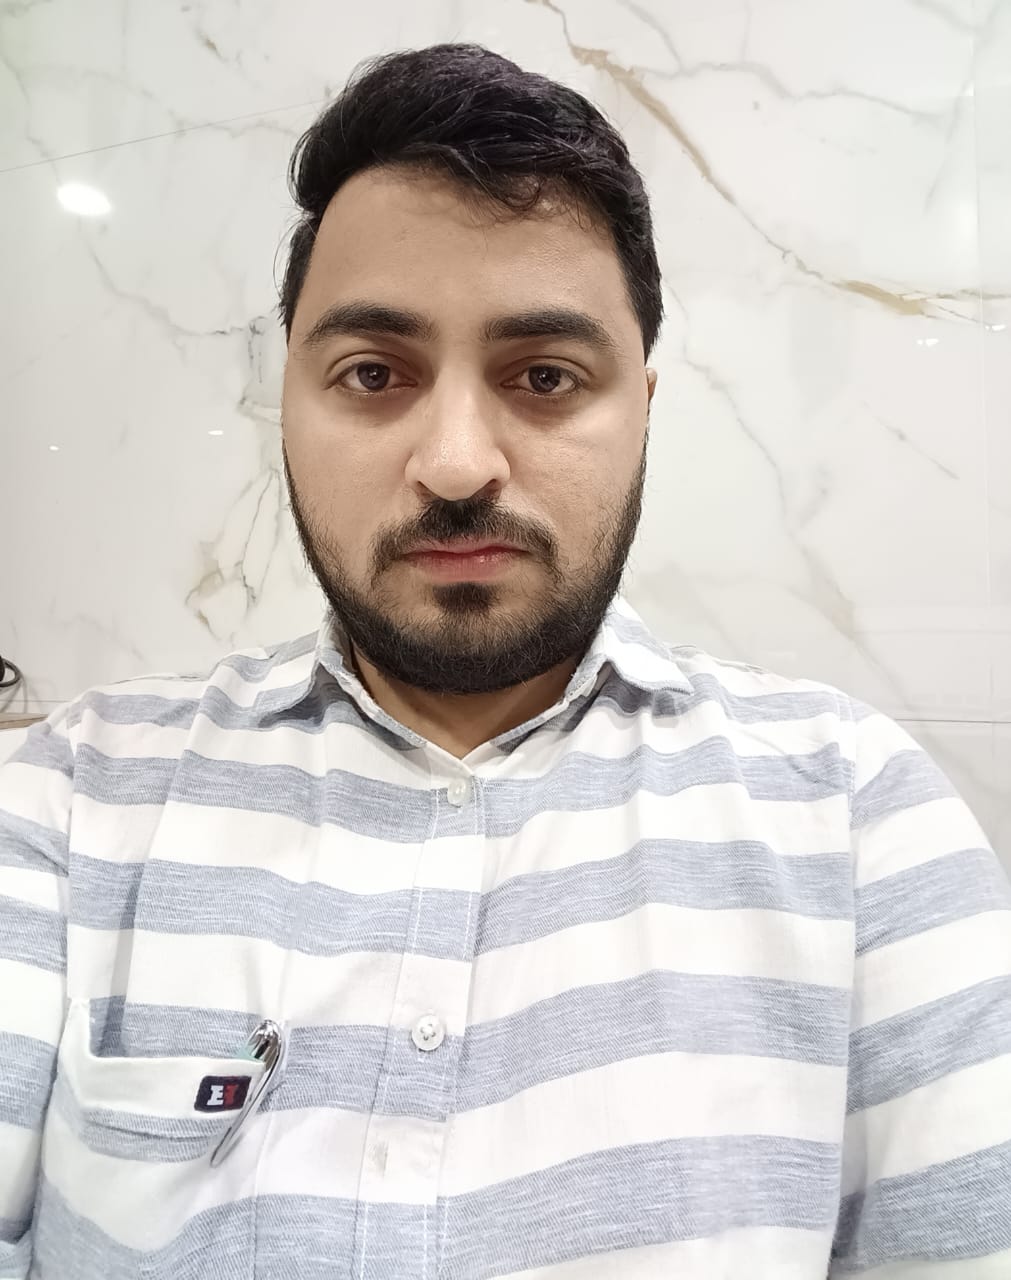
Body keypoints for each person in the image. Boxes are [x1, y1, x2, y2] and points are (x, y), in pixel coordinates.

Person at [1, 41, 1009, 1280]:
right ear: (289, 407)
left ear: (644, 408)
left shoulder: (858, 819)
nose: (457, 462)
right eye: (374, 374)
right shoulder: (70, 800)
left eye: (543, 376)